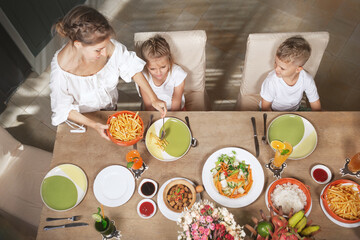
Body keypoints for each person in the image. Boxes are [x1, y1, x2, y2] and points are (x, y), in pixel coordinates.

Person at [50, 5, 166, 140]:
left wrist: (154, 98)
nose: (105, 53)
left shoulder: (107, 46)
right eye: (98, 50)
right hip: (85, 119)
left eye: (105, 46)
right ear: (78, 45)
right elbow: (64, 109)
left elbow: (132, 68)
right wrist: (94, 125)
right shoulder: (61, 73)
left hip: (110, 110)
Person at [260, 36, 321, 111]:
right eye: (275, 63)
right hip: (272, 111)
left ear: (298, 69)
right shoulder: (271, 81)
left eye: (282, 68)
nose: (276, 69)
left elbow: (315, 104)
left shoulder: (307, 79)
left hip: (294, 111)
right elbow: (265, 107)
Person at [137, 35, 186, 111]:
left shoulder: (178, 73)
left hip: (176, 110)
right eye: (152, 69)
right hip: (154, 110)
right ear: (145, 65)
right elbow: (149, 106)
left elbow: (176, 103)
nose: (158, 73)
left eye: (163, 67)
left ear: (169, 60)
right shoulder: (142, 77)